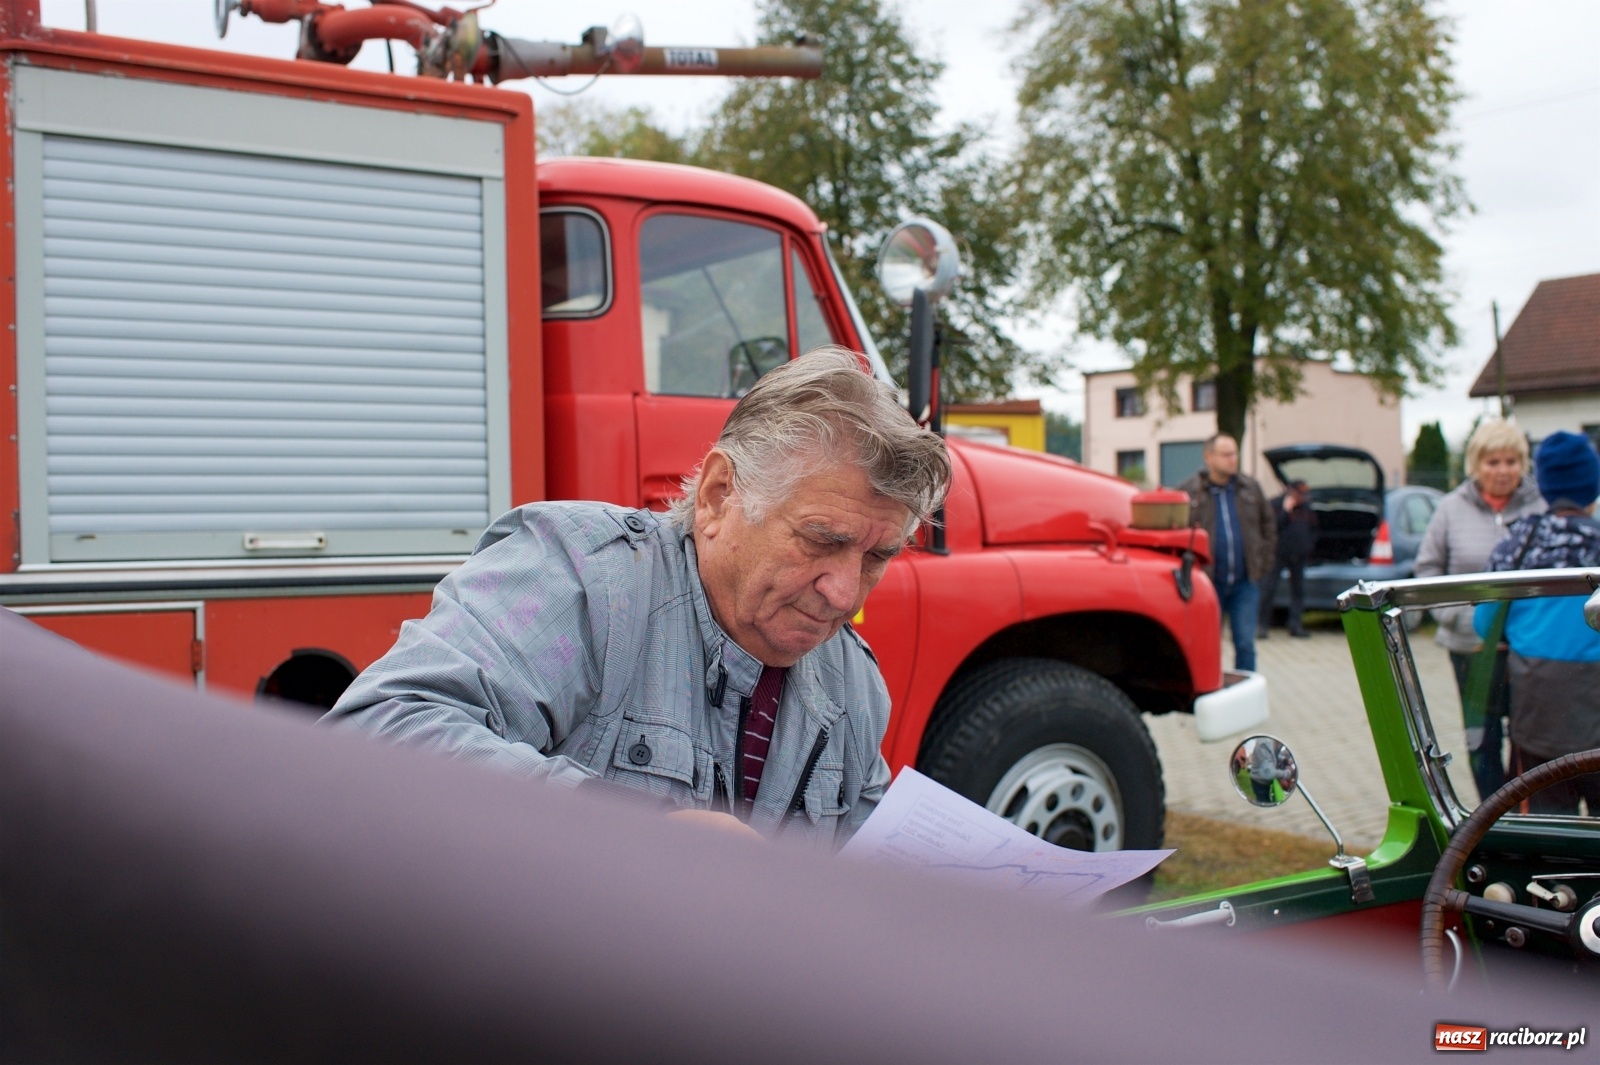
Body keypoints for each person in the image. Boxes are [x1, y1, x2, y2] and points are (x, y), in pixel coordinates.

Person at [322, 347, 952, 845]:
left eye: (877, 557)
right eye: (819, 540)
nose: (844, 593)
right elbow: (376, 734)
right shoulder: (580, 577)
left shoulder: (850, 684)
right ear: (717, 496)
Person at [1414, 420, 1544, 801]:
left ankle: (1526, 813)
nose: (1502, 471)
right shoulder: (1450, 509)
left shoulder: (1541, 507)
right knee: (1481, 739)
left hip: (1527, 648)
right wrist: (1456, 615)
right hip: (1469, 647)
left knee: (1528, 739)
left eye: (1510, 461)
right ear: (1476, 464)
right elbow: (1427, 570)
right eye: (1492, 462)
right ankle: (1494, 815)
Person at [1475, 431, 1600, 815]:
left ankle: (1552, 878)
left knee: (1545, 827)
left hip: (1538, 711)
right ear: (1593, 486)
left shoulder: (1519, 543)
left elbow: (1485, 624)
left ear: (1543, 485)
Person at [1180, 433, 1276, 672]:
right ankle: (1212, 694)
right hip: (1208, 584)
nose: (1232, 459)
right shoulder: (1191, 492)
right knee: (1209, 644)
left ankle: (1245, 699)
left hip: (1245, 583)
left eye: (1234, 453)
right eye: (1226, 454)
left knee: (1245, 644)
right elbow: (1179, 534)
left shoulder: (1250, 489)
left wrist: (1262, 563)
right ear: (1208, 458)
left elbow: (1269, 526)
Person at [1257, 479, 1317, 639]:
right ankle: (1261, 625)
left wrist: (1308, 547)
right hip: (1278, 555)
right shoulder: (1275, 505)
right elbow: (1271, 528)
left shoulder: (1306, 509)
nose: (1303, 497)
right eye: (1300, 494)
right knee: (1268, 588)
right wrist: (1285, 511)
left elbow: (1313, 529)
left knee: (1298, 591)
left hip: (1299, 556)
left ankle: (1295, 625)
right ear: (1291, 491)